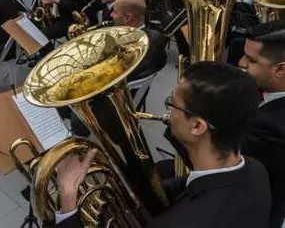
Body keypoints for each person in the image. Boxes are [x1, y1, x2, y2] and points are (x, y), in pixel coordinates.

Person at [53, 62, 271, 228]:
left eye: (171, 103)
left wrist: (68, 199)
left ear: (196, 126)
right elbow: (190, 188)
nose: (167, 112)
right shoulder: (256, 171)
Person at [238, 21, 285, 227]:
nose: (241, 63)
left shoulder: (269, 128)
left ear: (280, 70)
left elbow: (228, 170)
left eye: (251, 60)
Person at [110, 0, 167, 81]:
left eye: (115, 12)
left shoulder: (132, 50)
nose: (111, 15)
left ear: (127, 18)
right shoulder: (156, 37)